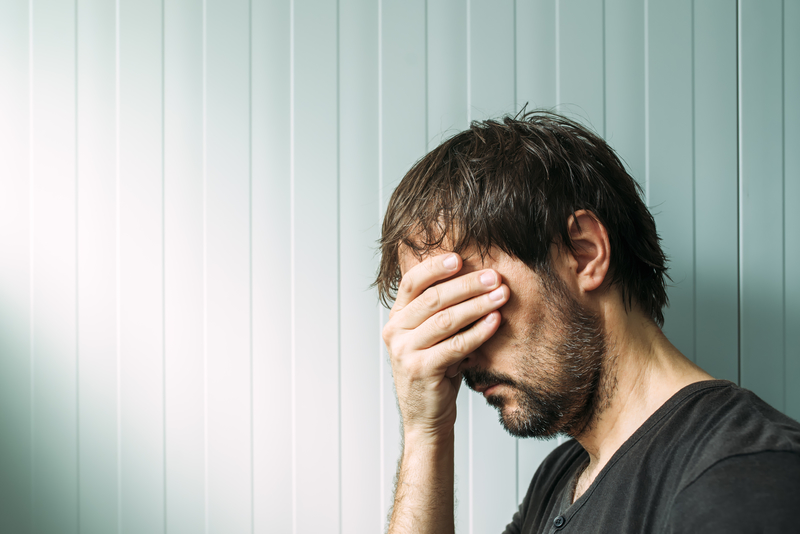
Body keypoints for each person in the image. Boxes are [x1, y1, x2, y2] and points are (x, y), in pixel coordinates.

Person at [375, 111, 800, 533]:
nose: (457, 351)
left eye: (466, 302)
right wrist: (425, 433)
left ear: (583, 252)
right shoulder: (561, 476)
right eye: (440, 318)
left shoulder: (742, 477)